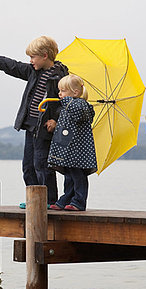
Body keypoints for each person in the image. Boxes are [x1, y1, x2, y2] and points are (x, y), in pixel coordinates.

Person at [0, 36, 68, 207]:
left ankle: (49, 200)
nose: (30, 61)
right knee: (28, 166)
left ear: (45, 56)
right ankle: (34, 198)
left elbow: (65, 103)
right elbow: (13, 66)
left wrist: (55, 119)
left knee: (42, 164)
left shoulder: (60, 77)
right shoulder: (33, 71)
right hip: (30, 126)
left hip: (45, 128)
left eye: (33, 57)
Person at [48, 74, 97, 211]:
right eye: (59, 90)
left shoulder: (80, 104)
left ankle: (79, 201)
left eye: (63, 90)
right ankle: (66, 199)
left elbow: (78, 113)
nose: (59, 94)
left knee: (77, 175)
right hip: (68, 149)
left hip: (77, 150)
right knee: (69, 175)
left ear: (75, 92)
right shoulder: (67, 105)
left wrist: (66, 101)